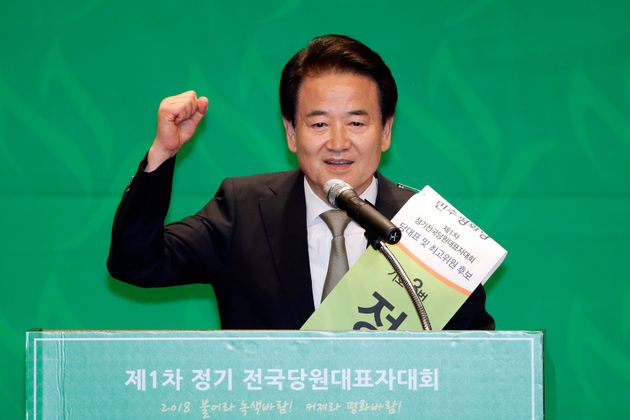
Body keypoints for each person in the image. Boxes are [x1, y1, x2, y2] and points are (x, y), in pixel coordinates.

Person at [107, 34, 494, 330]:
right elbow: (136, 264)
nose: (338, 142)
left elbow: (474, 357)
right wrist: (163, 152)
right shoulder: (243, 209)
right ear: (292, 133)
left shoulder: (433, 233)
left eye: (356, 122)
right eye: (319, 123)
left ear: (386, 130)